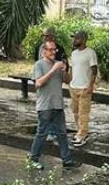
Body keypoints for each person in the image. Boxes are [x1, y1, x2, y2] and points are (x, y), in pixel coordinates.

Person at [27, 40, 79, 169]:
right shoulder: (39, 65)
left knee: (62, 133)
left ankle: (67, 160)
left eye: (55, 49)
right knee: (42, 133)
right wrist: (53, 70)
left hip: (58, 104)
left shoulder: (58, 64)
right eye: (50, 50)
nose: (53, 52)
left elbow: (67, 81)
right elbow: (38, 83)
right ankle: (33, 158)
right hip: (45, 106)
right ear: (44, 51)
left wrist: (65, 70)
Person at [68, 30, 98, 146]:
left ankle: (83, 134)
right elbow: (72, 69)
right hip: (74, 86)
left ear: (84, 40)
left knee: (83, 112)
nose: (74, 40)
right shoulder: (74, 53)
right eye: (74, 38)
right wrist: (70, 82)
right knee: (75, 111)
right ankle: (79, 131)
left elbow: (94, 71)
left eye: (77, 38)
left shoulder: (90, 53)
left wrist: (91, 86)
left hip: (85, 87)